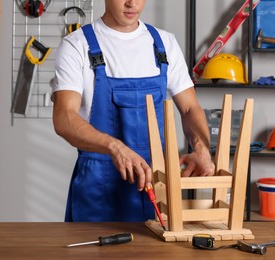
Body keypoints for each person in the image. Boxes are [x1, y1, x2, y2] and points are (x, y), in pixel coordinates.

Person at [52, 0, 214, 222]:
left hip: (155, 184)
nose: (132, 3)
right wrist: (115, 147)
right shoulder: (77, 45)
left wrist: (202, 148)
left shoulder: (164, 44)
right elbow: (64, 118)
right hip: (98, 188)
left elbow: (189, 108)